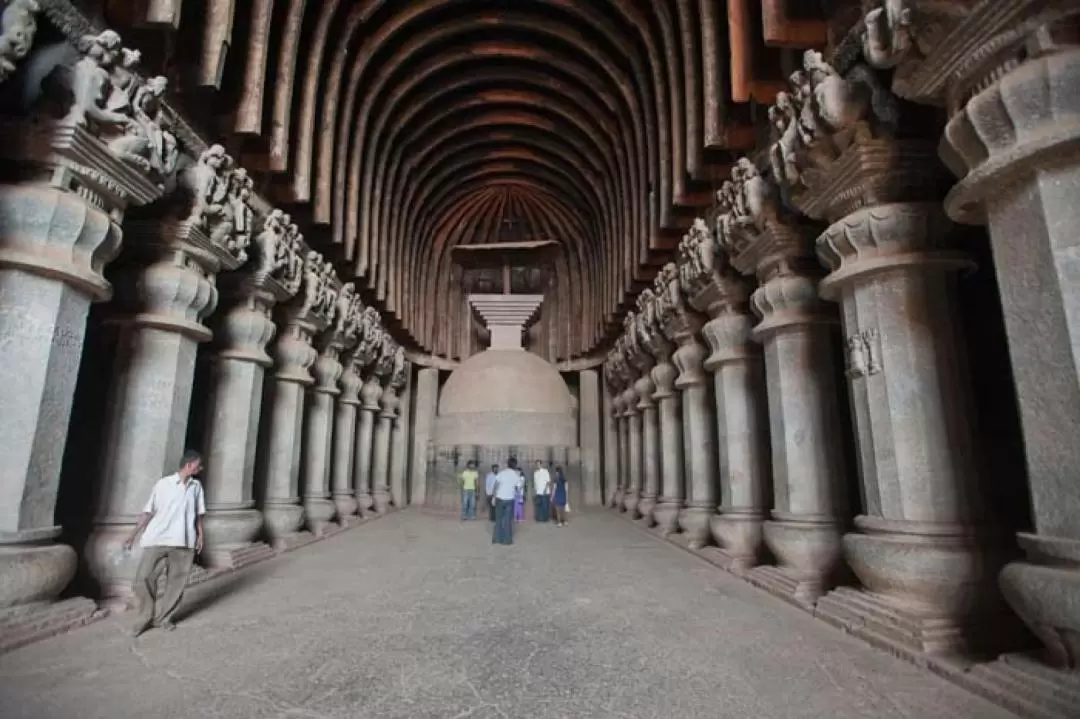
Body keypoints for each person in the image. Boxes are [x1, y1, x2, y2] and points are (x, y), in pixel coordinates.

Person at [123, 449, 206, 636]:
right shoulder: (163, 484)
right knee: (142, 579)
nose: (200, 468)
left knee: (176, 583)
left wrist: (200, 535)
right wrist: (133, 534)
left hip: (184, 541)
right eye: (198, 465)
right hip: (158, 538)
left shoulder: (196, 487)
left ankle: (164, 619)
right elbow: (148, 511)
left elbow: (199, 514)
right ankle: (145, 617)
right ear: (190, 465)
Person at [491, 458, 522, 545]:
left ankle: (497, 538)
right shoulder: (516, 475)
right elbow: (519, 488)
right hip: (509, 499)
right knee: (508, 520)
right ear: (515, 465)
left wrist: (493, 497)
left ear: (507, 464)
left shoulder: (502, 473)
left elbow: (495, 485)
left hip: (500, 498)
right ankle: (507, 540)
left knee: (499, 519)